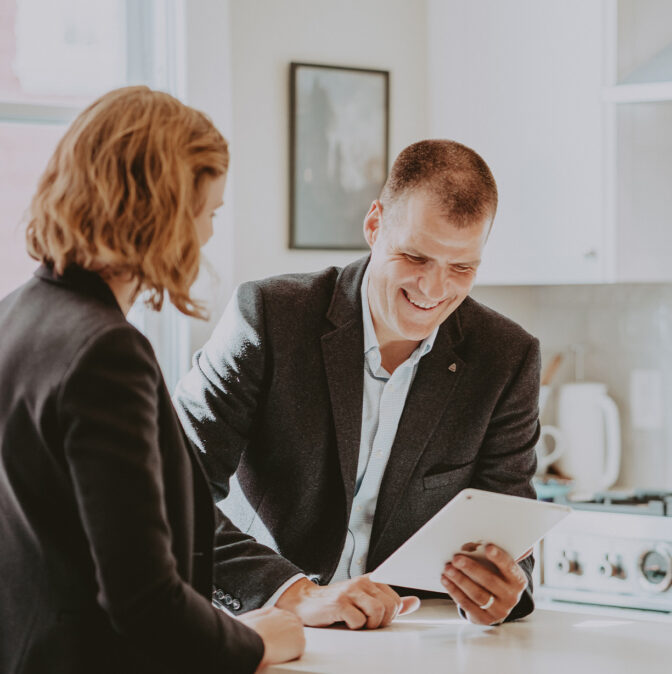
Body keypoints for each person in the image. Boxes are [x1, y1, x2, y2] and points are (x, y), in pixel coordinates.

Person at [174, 139, 540, 630]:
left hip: (410, 644)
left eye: (461, 268)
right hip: (266, 630)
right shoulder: (267, 317)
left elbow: (506, 535)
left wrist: (502, 590)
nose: (433, 289)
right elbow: (174, 493)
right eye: (415, 256)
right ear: (374, 226)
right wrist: (294, 594)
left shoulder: (506, 357)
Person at [0, 86, 305, 673]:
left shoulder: (16, 317)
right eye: (209, 212)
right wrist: (258, 641)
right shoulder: (106, 352)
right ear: (163, 212)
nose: (210, 235)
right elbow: (142, 601)